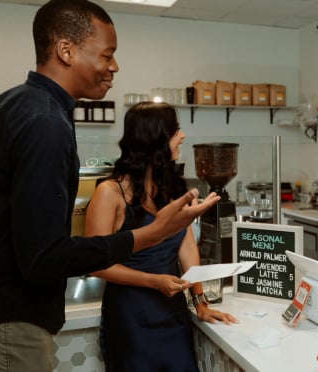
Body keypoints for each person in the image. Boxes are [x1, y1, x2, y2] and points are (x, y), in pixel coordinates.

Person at [0, 1, 219, 371]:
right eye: (107, 54)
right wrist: (151, 235)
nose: (114, 66)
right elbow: (43, 258)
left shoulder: (12, 103)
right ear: (66, 51)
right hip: (3, 328)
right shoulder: (46, 122)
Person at [84, 101, 238, 371]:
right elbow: (94, 263)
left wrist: (200, 301)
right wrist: (154, 281)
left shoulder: (173, 187)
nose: (183, 136)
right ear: (154, 138)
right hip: (131, 317)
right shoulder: (110, 193)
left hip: (172, 313)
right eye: (175, 130)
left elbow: (186, 247)